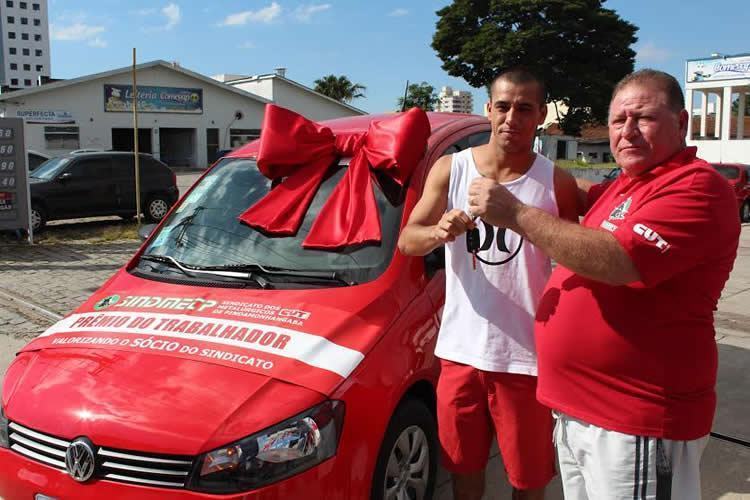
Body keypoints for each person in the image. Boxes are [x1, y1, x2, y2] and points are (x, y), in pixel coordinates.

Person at [467, 69, 741, 499]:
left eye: (644, 118)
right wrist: (532, 176)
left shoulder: (697, 187)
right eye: (618, 121)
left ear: (682, 123)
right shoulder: (625, 186)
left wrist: (516, 213)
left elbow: (621, 259)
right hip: (580, 413)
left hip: (638, 420)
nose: (627, 131)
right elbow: (581, 205)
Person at [398, 68, 579, 500]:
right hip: (461, 354)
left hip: (526, 360)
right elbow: (408, 240)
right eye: (503, 106)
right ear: (488, 109)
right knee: (463, 474)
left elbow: (575, 257)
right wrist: (440, 231)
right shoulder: (451, 169)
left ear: (540, 116)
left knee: (528, 481)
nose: (511, 117)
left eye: (524, 108)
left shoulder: (555, 182)